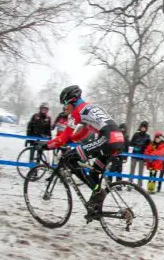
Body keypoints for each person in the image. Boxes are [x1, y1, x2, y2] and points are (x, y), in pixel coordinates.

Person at [45, 85, 124, 219]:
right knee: (94, 173)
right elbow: (85, 131)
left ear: (72, 100)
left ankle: (98, 194)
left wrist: (46, 146)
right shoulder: (89, 108)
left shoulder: (77, 112)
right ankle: (96, 207)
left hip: (107, 139)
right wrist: (73, 139)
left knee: (70, 158)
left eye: (64, 104)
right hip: (118, 139)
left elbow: (63, 138)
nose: (64, 108)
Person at [129, 121, 150, 188]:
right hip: (134, 154)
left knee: (140, 171)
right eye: (142, 127)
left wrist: (144, 148)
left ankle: (139, 185)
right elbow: (131, 143)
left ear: (146, 128)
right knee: (132, 170)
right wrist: (135, 147)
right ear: (140, 127)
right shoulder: (136, 134)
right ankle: (130, 184)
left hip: (142, 156)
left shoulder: (147, 136)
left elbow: (149, 146)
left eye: (144, 127)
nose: (143, 128)